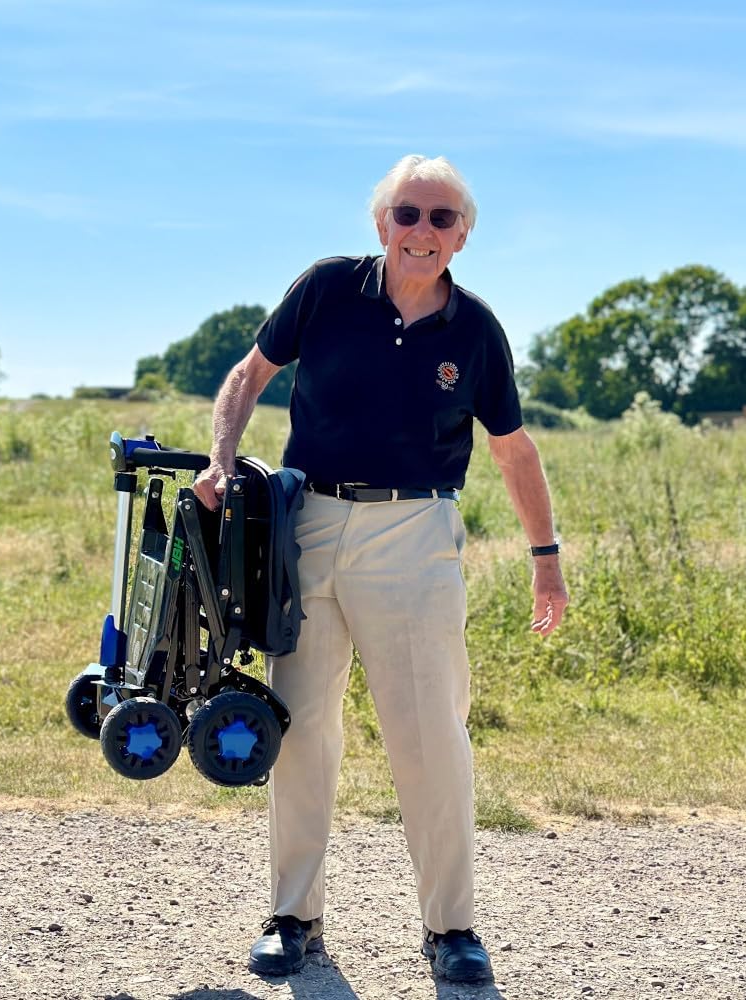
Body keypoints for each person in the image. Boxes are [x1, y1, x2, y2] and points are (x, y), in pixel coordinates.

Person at [192, 154, 569, 985]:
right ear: (380, 223)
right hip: (307, 525)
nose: (422, 232)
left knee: (431, 738)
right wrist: (221, 459)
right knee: (298, 726)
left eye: (441, 219)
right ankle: (293, 917)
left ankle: (452, 929)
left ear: (463, 236)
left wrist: (547, 559)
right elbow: (248, 376)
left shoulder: (474, 330)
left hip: (415, 531)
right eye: (408, 214)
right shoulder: (326, 289)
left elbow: (513, 450)